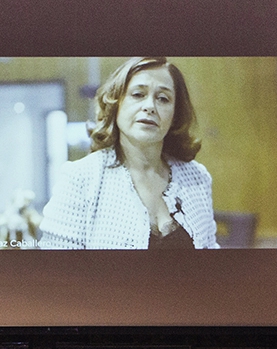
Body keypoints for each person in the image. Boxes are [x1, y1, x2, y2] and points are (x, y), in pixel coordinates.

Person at [39, 57, 219, 249]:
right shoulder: (81, 178)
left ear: (175, 115)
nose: (149, 106)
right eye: (138, 94)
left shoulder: (197, 177)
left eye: (163, 98)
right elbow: (56, 269)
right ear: (116, 104)